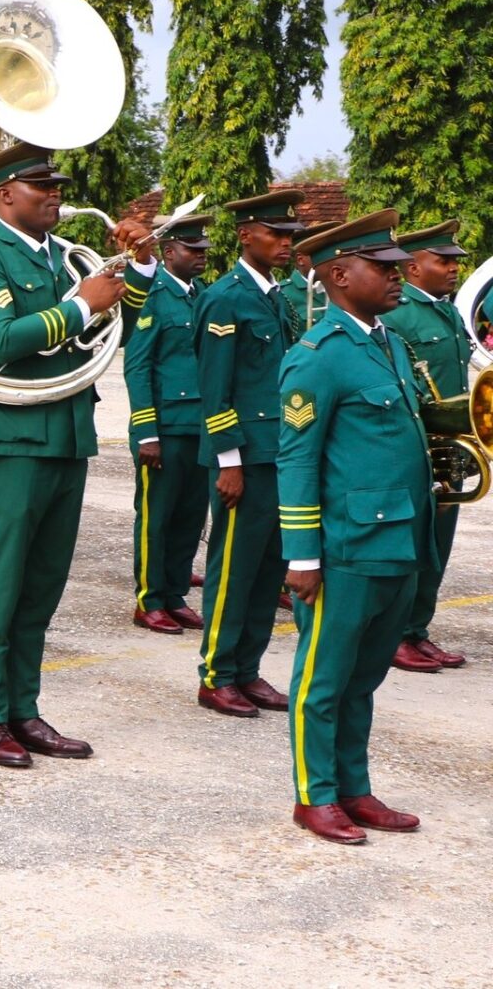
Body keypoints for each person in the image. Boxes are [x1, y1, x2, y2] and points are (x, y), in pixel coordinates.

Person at [0, 142, 145, 766]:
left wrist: (136, 267)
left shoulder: (64, 259)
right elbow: (3, 340)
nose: (56, 194)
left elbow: (127, 323)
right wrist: (83, 302)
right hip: (5, 443)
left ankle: (23, 710)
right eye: (41, 186)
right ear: (4, 196)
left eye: (57, 185)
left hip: (64, 437)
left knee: (41, 588)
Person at [277, 210, 434, 844]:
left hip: (398, 538)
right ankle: (314, 797)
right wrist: (301, 556)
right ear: (339, 274)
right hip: (345, 546)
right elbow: (296, 459)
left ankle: (354, 788)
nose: (399, 278)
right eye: (385, 268)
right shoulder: (318, 357)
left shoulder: (390, 342)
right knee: (323, 679)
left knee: (364, 678)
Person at [193, 189, 305, 718]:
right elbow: (216, 390)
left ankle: (248, 670)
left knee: (268, 571)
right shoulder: (224, 297)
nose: (286, 243)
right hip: (247, 459)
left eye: (290, 236)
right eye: (275, 234)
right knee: (234, 570)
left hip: (279, 453)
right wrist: (229, 461)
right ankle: (216, 674)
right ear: (245, 235)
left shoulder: (274, 297)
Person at [382, 219, 474, 672]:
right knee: (414, 546)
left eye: (455, 261)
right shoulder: (397, 315)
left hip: (452, 448)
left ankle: (418, 629)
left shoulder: (449, 310)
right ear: (413, 268)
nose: (454, 268)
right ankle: (396, 634)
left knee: (438, 547)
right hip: (419, 449)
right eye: (444, 261)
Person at [122, 213, 212, 635]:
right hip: (165, 427)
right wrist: (147, 433)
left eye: (204, 251)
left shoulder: (203, 296)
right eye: (193, 250)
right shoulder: (150, 297)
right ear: (169, 251)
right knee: (157, 517)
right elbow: (137, 367)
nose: (201, 257)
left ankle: (175, 594)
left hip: (200, 427)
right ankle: (150, 599)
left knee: (191, 516)